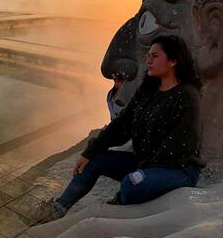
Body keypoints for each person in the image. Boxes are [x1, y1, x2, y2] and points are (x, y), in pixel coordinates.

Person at [32, 35, 204, 223]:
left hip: (177, 169)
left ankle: (118, 206)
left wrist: (142, 171)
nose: (148, 61)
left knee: (131, 183)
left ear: (173, 60)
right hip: (146, 162)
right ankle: (58, 208)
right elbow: (121, 125)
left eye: (154, 56)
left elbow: (180, 145)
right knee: (94, 161)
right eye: (148, 56)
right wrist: (90, 151)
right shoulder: (148, 90)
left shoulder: (187, 95)